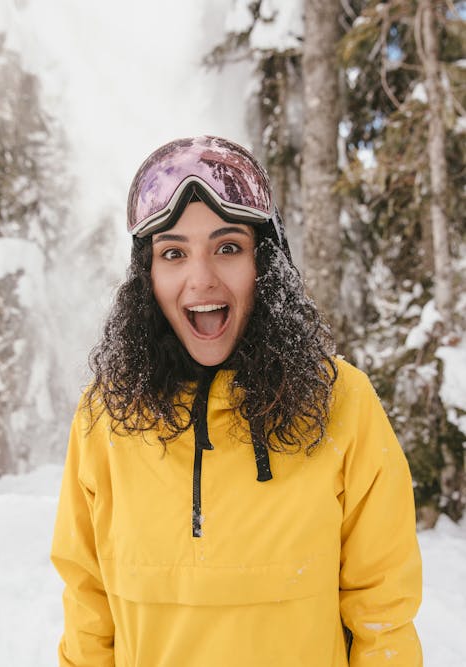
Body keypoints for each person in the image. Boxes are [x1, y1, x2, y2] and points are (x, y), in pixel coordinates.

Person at [51, 135, 423, 666]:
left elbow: (383, 614)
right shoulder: (105, 416)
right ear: (146, 276)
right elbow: (88, 616)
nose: (201, 279)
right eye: (173, 253)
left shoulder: (342, 402)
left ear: (264, 264)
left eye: (228, 247)